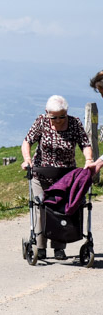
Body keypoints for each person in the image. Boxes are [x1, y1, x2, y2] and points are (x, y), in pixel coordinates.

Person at [21, 95, 101, 260]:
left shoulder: (74, 123)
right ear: (47, 113)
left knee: (61, 209)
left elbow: (85, 144)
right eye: (54, 117)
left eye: (61, 116)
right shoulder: (41, 122)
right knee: (41, 207)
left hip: (65, 176)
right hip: (41, 173)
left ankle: (59, 247)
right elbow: (27, 141)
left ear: (67, 112)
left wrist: (88, 159)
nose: (57, 120)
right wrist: (27, 159)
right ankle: (40, 246)